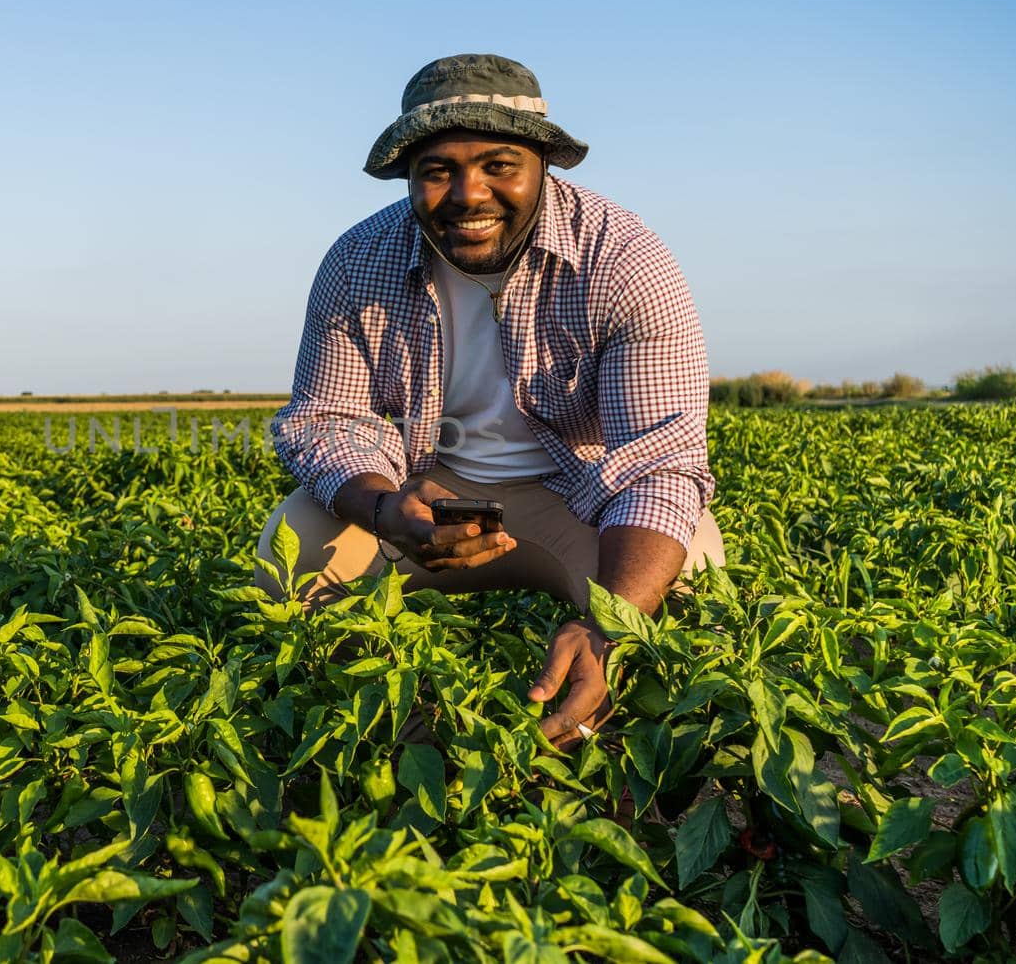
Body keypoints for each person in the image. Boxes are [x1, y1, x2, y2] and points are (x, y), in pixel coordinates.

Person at [257, 53, 725, 748]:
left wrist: (608, 623)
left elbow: (657, 462)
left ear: (544, 164)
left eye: (499, 164)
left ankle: (603, 754)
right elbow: (328, 420)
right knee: (292, 553)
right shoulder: (358, 261)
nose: (468, 194)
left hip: (577, 497)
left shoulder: (624, 259)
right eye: (437, 170)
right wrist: (386, 508)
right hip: (429, 494)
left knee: (688, 576)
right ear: (410, 177)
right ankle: (401, 741)